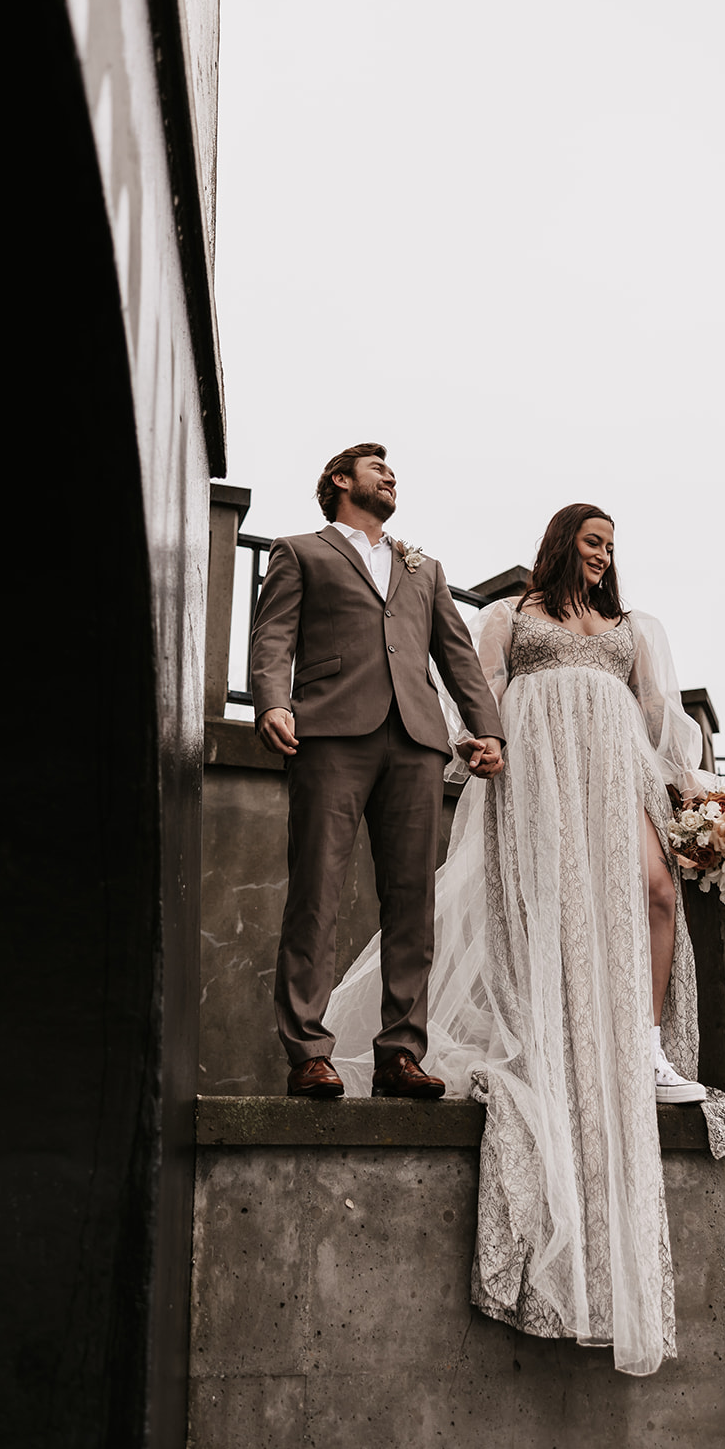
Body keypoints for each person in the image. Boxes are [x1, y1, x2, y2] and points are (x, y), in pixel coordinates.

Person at [327, 502, 725, 1374]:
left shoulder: (630, 627)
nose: (604, 557)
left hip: (612, 767)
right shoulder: (510, 616)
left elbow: (660, 718)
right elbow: (474, 688)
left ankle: (643, 1047)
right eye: (593, 542)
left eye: (612, 546)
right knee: (546, 909)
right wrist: (474, 741)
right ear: (564, 542)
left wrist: (704, 801)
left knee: (654, 892)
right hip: (537, 767)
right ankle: (553, 1031)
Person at [251, 442, 506, 1100]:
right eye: (376, 468)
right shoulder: (298, 550)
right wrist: (274, 703)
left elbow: (456, 656)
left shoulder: (421, 567)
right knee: (316, 893)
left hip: (416, 742)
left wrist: (485, 729)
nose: (390, 477)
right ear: (339, 480)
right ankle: (308, 1050)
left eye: (393, 472)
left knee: (412, 904)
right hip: (330, 733)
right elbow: (273, 634)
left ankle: (400, 1052)